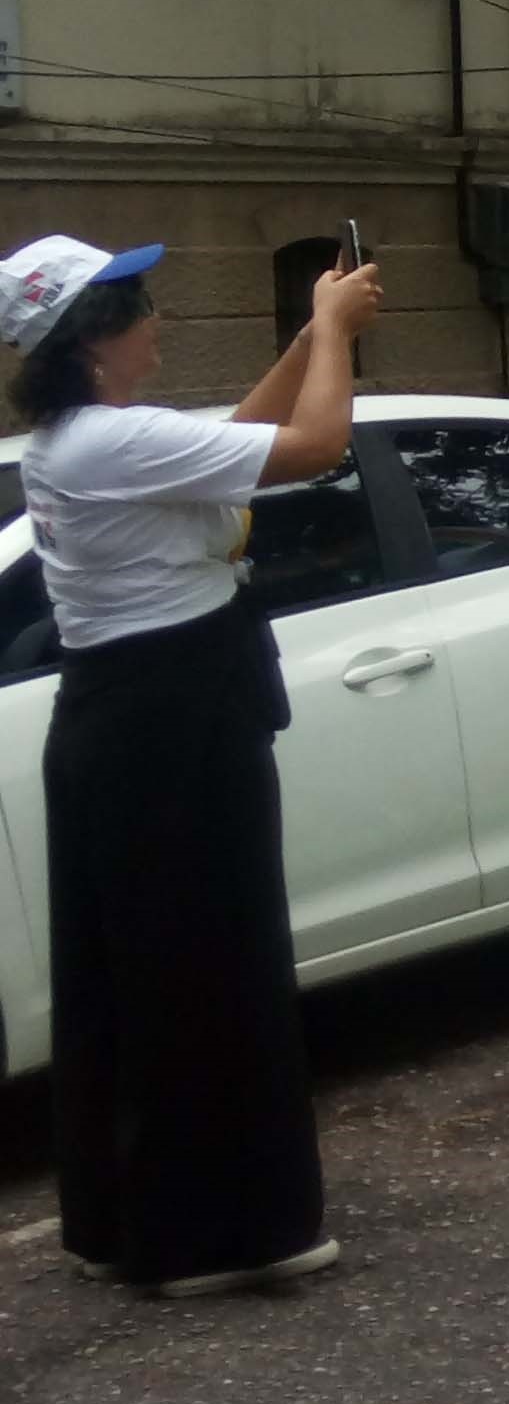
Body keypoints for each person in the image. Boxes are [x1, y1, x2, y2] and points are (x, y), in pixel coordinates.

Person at [4, 231, 381, 1296]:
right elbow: (315, 446)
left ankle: (127, 1220)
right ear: (96, 337)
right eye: (141, 307)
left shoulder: (84, 439)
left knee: (129, 976)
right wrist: (337, 334)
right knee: (213, 964)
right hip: (172, 719)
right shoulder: (109, 443)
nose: (157, 321)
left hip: (125, 713)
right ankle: (218, 1237)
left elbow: (240, 438)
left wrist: (306, 339)